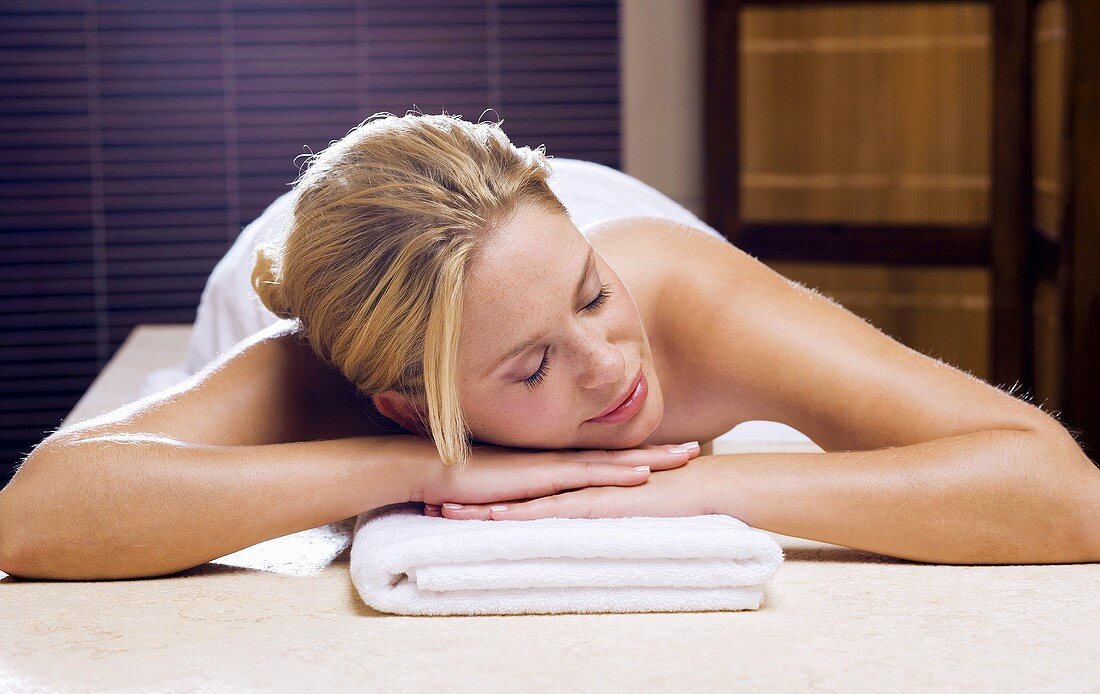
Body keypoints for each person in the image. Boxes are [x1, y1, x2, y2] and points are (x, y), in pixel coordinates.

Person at [3, 112, 1097, 581]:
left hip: (523, 219)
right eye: (529, 367)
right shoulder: (322, 369)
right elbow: (35, 517)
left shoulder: (675, 301)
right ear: (398, 399)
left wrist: (680, 493)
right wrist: (427, 467)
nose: (608, 364)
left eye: (589, 300)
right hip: (287, 267)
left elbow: (1062, 493)